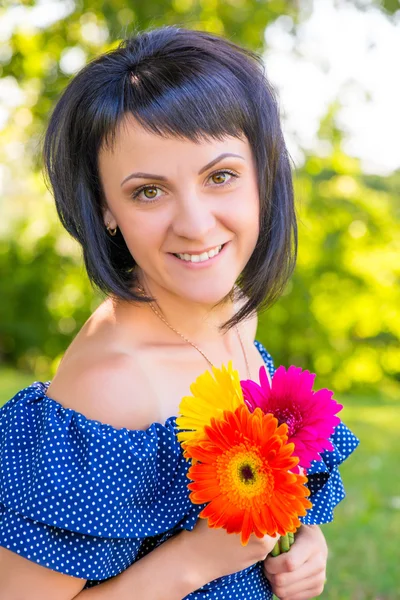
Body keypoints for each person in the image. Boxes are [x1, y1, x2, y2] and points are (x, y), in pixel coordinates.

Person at [0, 25, 359, 600]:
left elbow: (266, 491)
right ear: (104, 207)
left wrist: (302, 540)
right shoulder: (111, 389)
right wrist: (196, 560)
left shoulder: (237, 313)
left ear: (263, 175)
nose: (194, 224)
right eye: (148, 191)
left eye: (220, 176)